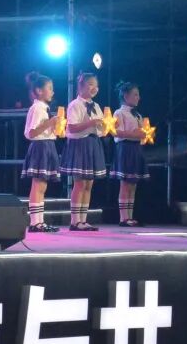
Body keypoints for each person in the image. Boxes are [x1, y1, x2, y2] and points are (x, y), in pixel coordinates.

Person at [59, 71, 107, 231]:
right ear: (81, 86)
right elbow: (72, 127)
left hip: (93, 143)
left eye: (96, 85)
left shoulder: (96, 106)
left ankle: (83, 220)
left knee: (89, 184)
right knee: (79, 183)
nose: (95, 88)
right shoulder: (75, 105)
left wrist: (107, 126)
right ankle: (75, 221)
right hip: (79, 144)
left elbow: (101, 129)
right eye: (91, 84)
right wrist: (91, 123)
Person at [21, 72, 62, 233]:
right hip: (40, 146)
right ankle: (35, 222)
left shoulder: (44, 108)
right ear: (39, 91)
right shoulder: (37, 108)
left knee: (42, 186)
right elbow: (31, 133)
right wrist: (49, 123)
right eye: (49, 88)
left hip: (48, 145)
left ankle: (39, 221)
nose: (52, 91)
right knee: (38, 185)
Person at [112, 81, 151, 226]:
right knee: (125, 184)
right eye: (135, 95)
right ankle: (123, 218)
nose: (138, 98)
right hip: (125, 148)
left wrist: (145, 135)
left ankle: (130, 216)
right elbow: (117, 132)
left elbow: (143, 133)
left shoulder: (138, 115)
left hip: (136, 149)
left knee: (133, 184)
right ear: (125, 96)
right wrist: (135, 134)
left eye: (138, 95)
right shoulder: (119, 113)